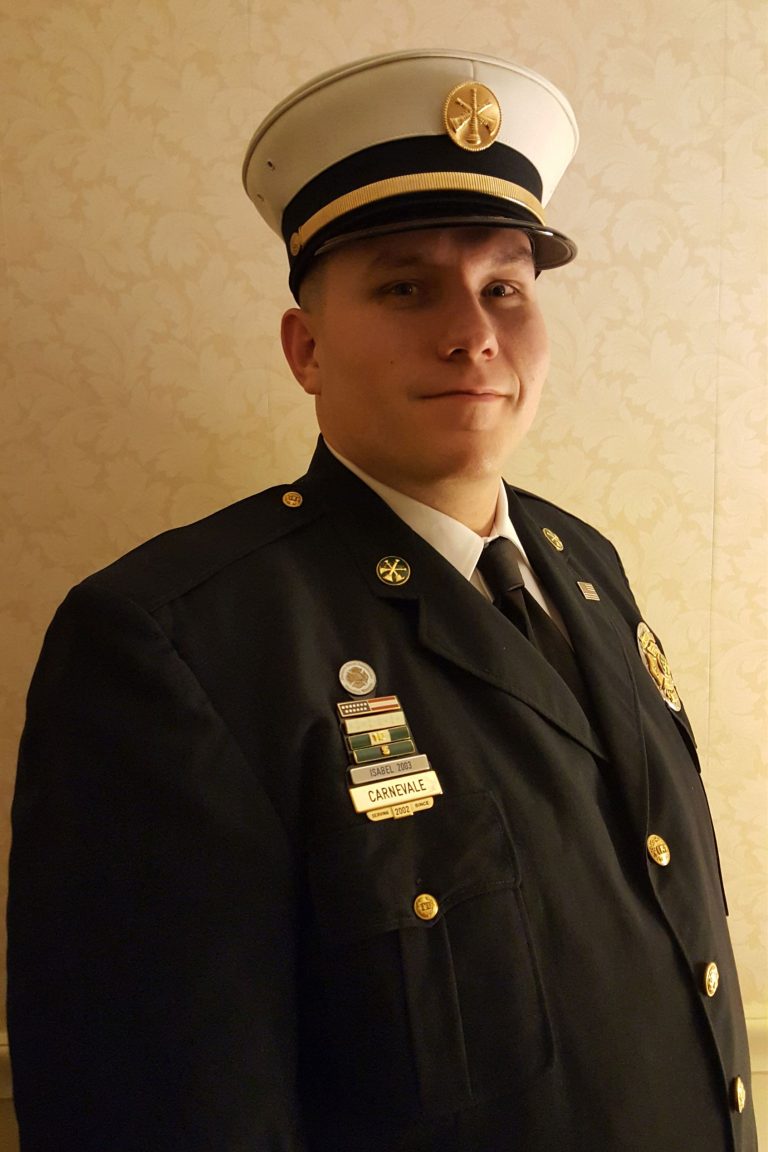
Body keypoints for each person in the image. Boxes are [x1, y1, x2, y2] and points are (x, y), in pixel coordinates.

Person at [7, 49, 757, 1152]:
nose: (474, 330)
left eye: (504, 285)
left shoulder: (585, 564)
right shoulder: (176, 644)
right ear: (305, 347)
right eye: (406, 286)